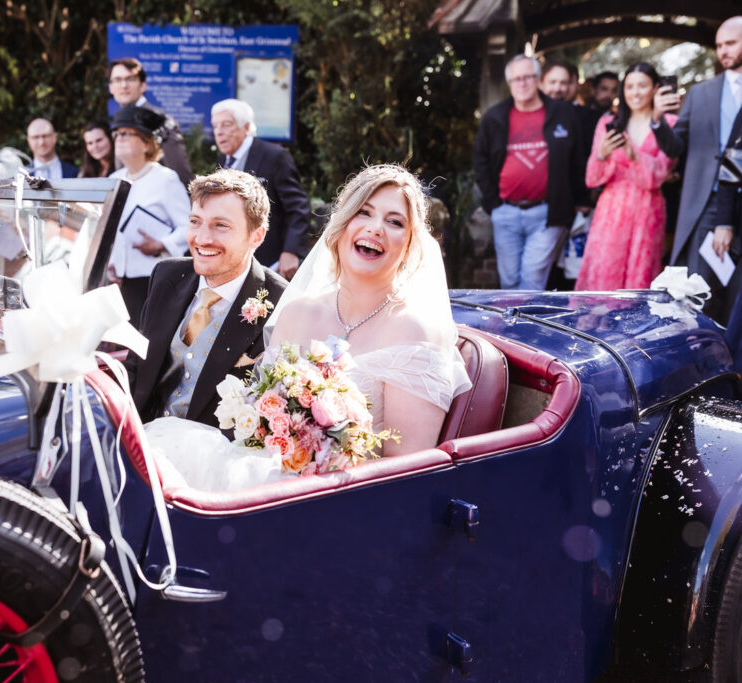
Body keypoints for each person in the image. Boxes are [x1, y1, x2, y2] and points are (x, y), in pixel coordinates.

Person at [143, 164, 471, 491]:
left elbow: (407, 470)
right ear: (341, 225)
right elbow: (256, 423)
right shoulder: (296, 312)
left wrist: (327, 448)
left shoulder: (413, 331)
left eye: (395, 221)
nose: (375, 228)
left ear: (410, 242)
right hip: (263, 477)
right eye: (364, 213)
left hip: (348, 496)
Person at [129, 169, 288, 429]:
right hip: (141, 438)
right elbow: (136, 368)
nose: (202, 238)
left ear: (256, 236)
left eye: (221, 225)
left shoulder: (280, 302)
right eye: (195, 221)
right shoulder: (166, 276)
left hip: (217, 457)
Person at [472, 54, 588, 290]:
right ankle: (510, 327)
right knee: (509, 281)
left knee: (532, 280)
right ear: (510, 83)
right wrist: (493, 202)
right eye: (516, 79)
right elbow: (480, 159)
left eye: (527, 77)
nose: (522, 83)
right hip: (505, 211)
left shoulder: (563, 114)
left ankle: (525, 327)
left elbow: (578, 159)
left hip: (548, 213)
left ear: (538, 80)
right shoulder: (494, 117)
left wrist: (581, 199)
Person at [654, 16, 742, 323]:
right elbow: (675, 147)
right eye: (718, 45)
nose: (722, 51)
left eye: (730, 43)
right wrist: (658, 120)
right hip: (708, 200)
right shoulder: (701, 93)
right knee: (701, 286)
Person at [575, 64, 678, 290]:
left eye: (642, 85)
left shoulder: (669, 124)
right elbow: (592, 179)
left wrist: (634, 156)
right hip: (611, 209)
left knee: (640, 277)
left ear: (656, 88)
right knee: (604, 274)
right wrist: (601, 154)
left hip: (648, 209)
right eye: (630, 86)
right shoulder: (608, 123)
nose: (635, 92)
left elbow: (659, 174)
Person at [107, 105, 190, 327]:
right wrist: (111, 263)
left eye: (126, 133)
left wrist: (162, 244)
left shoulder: (165, 179)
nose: (119, 138)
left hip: (153, 280)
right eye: (117, 134)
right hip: (120, 282)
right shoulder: (114, 178)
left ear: (146, 142)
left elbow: (189, 226)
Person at [211, 98, 311, 280]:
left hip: (272, 262)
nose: (219, 132)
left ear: (246, 127)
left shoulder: (274, 156)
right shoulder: (222, 161)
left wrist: (292, 251)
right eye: (216, 126)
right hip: (234, 261)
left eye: (226, 125)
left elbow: (298, 207)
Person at [108, 58, 193, 186]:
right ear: (110, 87)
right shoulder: (119, 121)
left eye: (130, 79)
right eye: (118, 80)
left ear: (143, 85)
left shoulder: (160, 121)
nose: (124, 85)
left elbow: (180, 175)